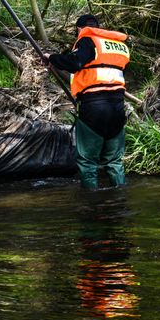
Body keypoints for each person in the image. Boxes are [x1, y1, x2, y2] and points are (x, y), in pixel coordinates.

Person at [45, 14, 129, 189]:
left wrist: (52, 58)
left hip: (94, 107)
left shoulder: (87, 39)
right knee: (114, 160)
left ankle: (90, 202)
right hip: (118, 107)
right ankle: (120, 197)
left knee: (88, 161)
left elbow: (76, 62)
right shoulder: (118, 45)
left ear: (79, 29)